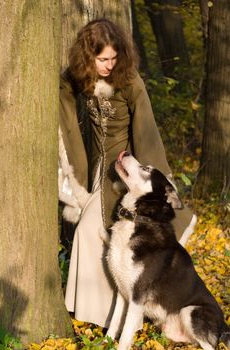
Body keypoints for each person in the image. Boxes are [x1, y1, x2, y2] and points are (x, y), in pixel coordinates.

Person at [59, 18, 197, 328]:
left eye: (113, 57)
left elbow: (146, 132)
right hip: (95, 169)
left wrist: (148, 182)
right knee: (96, 235)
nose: (108, 65)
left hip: (123, 174)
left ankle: (115, 316)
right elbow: (63, 87)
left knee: (92, 231)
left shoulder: (130, 81)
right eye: (102, 59)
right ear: (88, 56)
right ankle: (100, 314)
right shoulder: (80, 76)